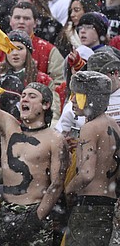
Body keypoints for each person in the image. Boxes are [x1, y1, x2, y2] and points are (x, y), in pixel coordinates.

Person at [0, 42, 68, 245]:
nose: (25, 99)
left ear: (45, 105)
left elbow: (57, 184)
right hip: (5, 212)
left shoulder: (54, 138)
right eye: (23, 95)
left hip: (35, 213)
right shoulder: (9, 125)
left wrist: (36, 218)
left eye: (32, 96)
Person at [65, 70, 120, 245]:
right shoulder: (114, 126)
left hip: (89, 207)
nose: (72, 99)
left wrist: (67, 191)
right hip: (108, 204)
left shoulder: (90, 128)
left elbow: (87, 174)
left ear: (91, 98)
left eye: (78, 94)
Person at [9, 2, 65, 86]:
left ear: (35, 23)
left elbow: (59, 85)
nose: (21, 22)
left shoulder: (49, 50)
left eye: (26, 18)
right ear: (10, 20)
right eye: (17, 18)